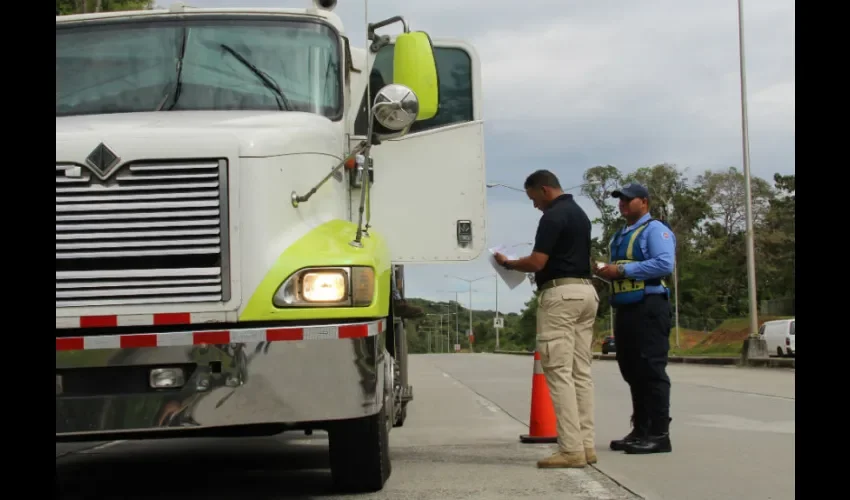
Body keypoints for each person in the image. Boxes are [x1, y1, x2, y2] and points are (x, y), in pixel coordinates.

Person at [493, 169, 599, 469]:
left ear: (544, 190)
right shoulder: (579, 214)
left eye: (533, 198)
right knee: (581, 373)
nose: (534, 205)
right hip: (586, 292)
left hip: (561, 297)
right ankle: (586, 445)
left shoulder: (552, 217)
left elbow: (538, 261)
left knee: (559, 372)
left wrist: (508, 263)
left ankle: (570, 449)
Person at [593, 182, 676, 455]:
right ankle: (640, 428)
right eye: (620, 200)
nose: (622, 204)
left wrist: (623, 271)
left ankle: (659, 433)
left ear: (644, 202)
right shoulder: (619, 235)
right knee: (631, 369)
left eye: (628, 200)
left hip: (649, 306)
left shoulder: (654, 230)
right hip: (626, 309)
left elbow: (665, 263)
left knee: (651, 369)